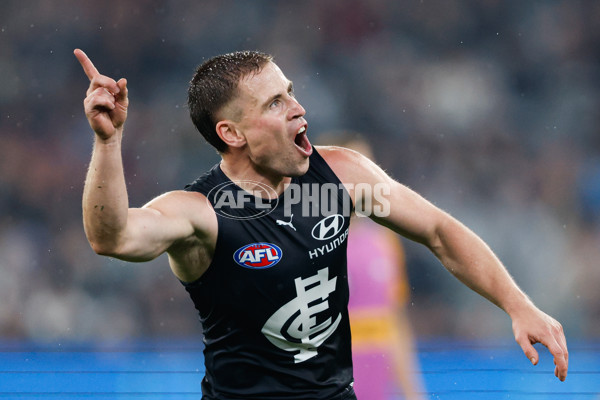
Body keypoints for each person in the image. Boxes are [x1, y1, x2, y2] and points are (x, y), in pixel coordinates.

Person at [74, 48, 568, 399]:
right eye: (275, 103)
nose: (298, 108)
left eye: (289, 93)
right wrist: (107, 142)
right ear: (232, 133)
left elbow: (438, 232)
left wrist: (518, 305)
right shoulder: (201, 213)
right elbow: (112, 237)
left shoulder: (341, 177)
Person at [320, 132, 426, 400]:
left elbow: (395, 322)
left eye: (369, 164)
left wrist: (413, 392)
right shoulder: (311, 243)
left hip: (378, 384)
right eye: (355, 165)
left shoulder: (385, 241)